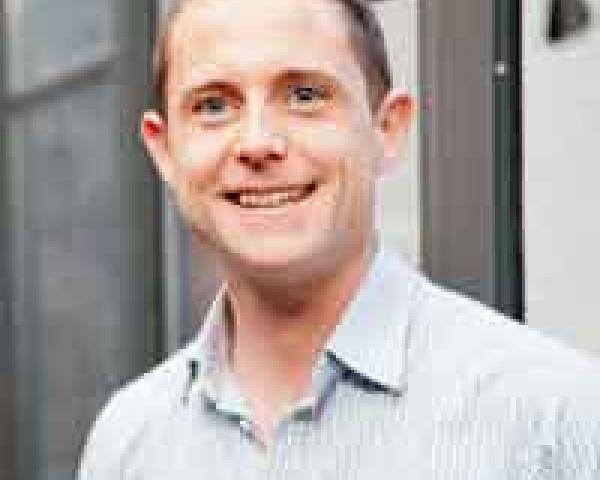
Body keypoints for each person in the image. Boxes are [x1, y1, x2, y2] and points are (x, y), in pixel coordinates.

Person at [78, 0, 600, 478]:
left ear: (387, 129)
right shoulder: (129, 445)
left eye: (304, 96)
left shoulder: (550, 420)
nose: (257, 143)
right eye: (214, 106)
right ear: (164, 151)